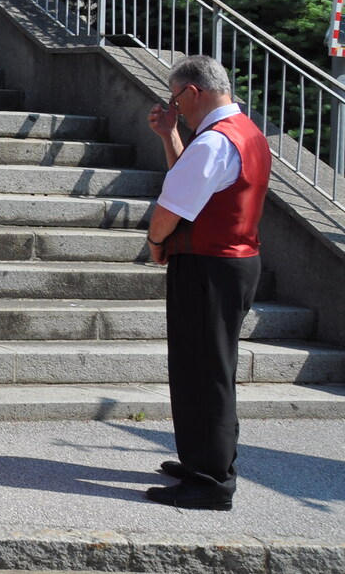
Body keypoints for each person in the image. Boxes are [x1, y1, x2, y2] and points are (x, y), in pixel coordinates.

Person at [141, 55, 269, 511]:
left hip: (208, 265)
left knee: (203, 371)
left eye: (175, 99)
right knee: (210, 367)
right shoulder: (244, 131)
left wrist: (156, 241)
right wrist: (170, 135)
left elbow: (172, 205)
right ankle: (205, 461)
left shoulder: (215, 141)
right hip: (231, 261)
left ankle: (211, 481)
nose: (174, 107)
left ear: (193, 92)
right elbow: (191, 184)